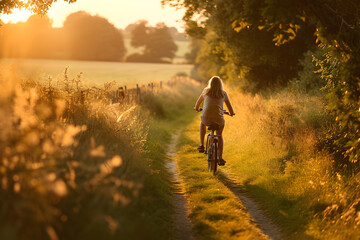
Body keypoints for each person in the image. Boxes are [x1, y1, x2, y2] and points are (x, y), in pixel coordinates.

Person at [194, 76, 235, 166]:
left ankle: (201, 145)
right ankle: (220, 158)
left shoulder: (206, 91)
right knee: (219, 135)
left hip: (206, 118)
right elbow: (230, 109)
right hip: (219, 120)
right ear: (220, 84)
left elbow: (197, 104)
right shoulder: (223, 93)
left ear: (210, 83)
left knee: (202, 123)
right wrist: (231, 113)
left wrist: (197, 109)